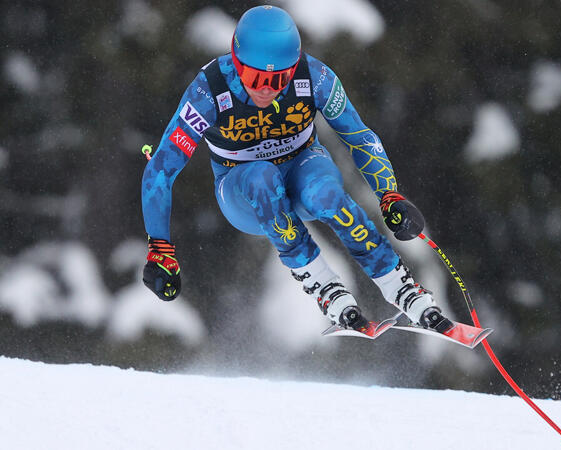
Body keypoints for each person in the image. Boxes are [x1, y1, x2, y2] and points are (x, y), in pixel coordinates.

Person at [141, 5, 454, 334]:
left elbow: (359, 137)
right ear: (236, 60)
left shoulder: (314, 77)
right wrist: (160, 249)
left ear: (292, 69)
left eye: (278, 79)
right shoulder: (209, 92)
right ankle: (323, 285)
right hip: (242, 189)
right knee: (261, 177)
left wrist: (389, 194)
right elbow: (161, 169)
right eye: (255, 78)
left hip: (302, 167)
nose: (266, 88)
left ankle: (402, 288)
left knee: (327, 195)